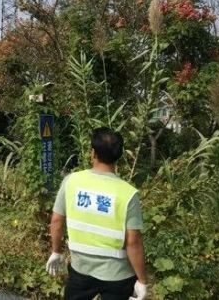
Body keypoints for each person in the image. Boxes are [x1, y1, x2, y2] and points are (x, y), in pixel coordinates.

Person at [46, 127, 147, 300]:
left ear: (93, 153)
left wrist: (56, 252)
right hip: (118, 276)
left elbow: (56, 221)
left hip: (80, 270)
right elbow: (133, 242)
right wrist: (142, 281)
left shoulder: (71, 181)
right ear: (118, 156)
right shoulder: (128, 194)